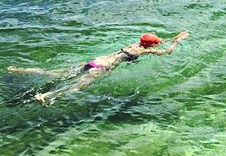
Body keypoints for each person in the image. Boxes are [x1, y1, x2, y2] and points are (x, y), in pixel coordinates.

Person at [7, 31, 189, 105]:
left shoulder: (136, 44)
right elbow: (166, 52)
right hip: (101, 69)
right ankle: (46, 96)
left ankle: (19, 69)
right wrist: (176, 42)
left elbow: (154, 42)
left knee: (55, 73)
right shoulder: (143, 52)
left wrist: (172, 36)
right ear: (151, 46)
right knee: (76, 88)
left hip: (95, 61)